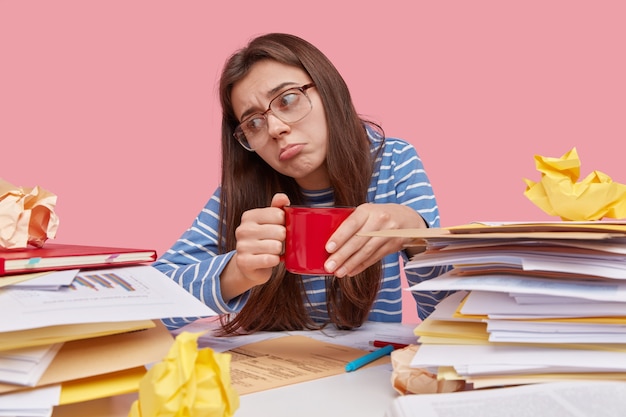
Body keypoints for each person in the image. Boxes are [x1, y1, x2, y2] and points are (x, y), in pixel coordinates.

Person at [153, 33, 452, 334]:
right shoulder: (243, 192)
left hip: (367, 371)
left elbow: (451, 318)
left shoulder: (393, 162)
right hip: (272, 372)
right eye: (253, 123)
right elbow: (144, 301)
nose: (275, 128)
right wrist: (238, 272)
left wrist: (418, 237)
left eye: (287, 100)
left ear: (328, 90)